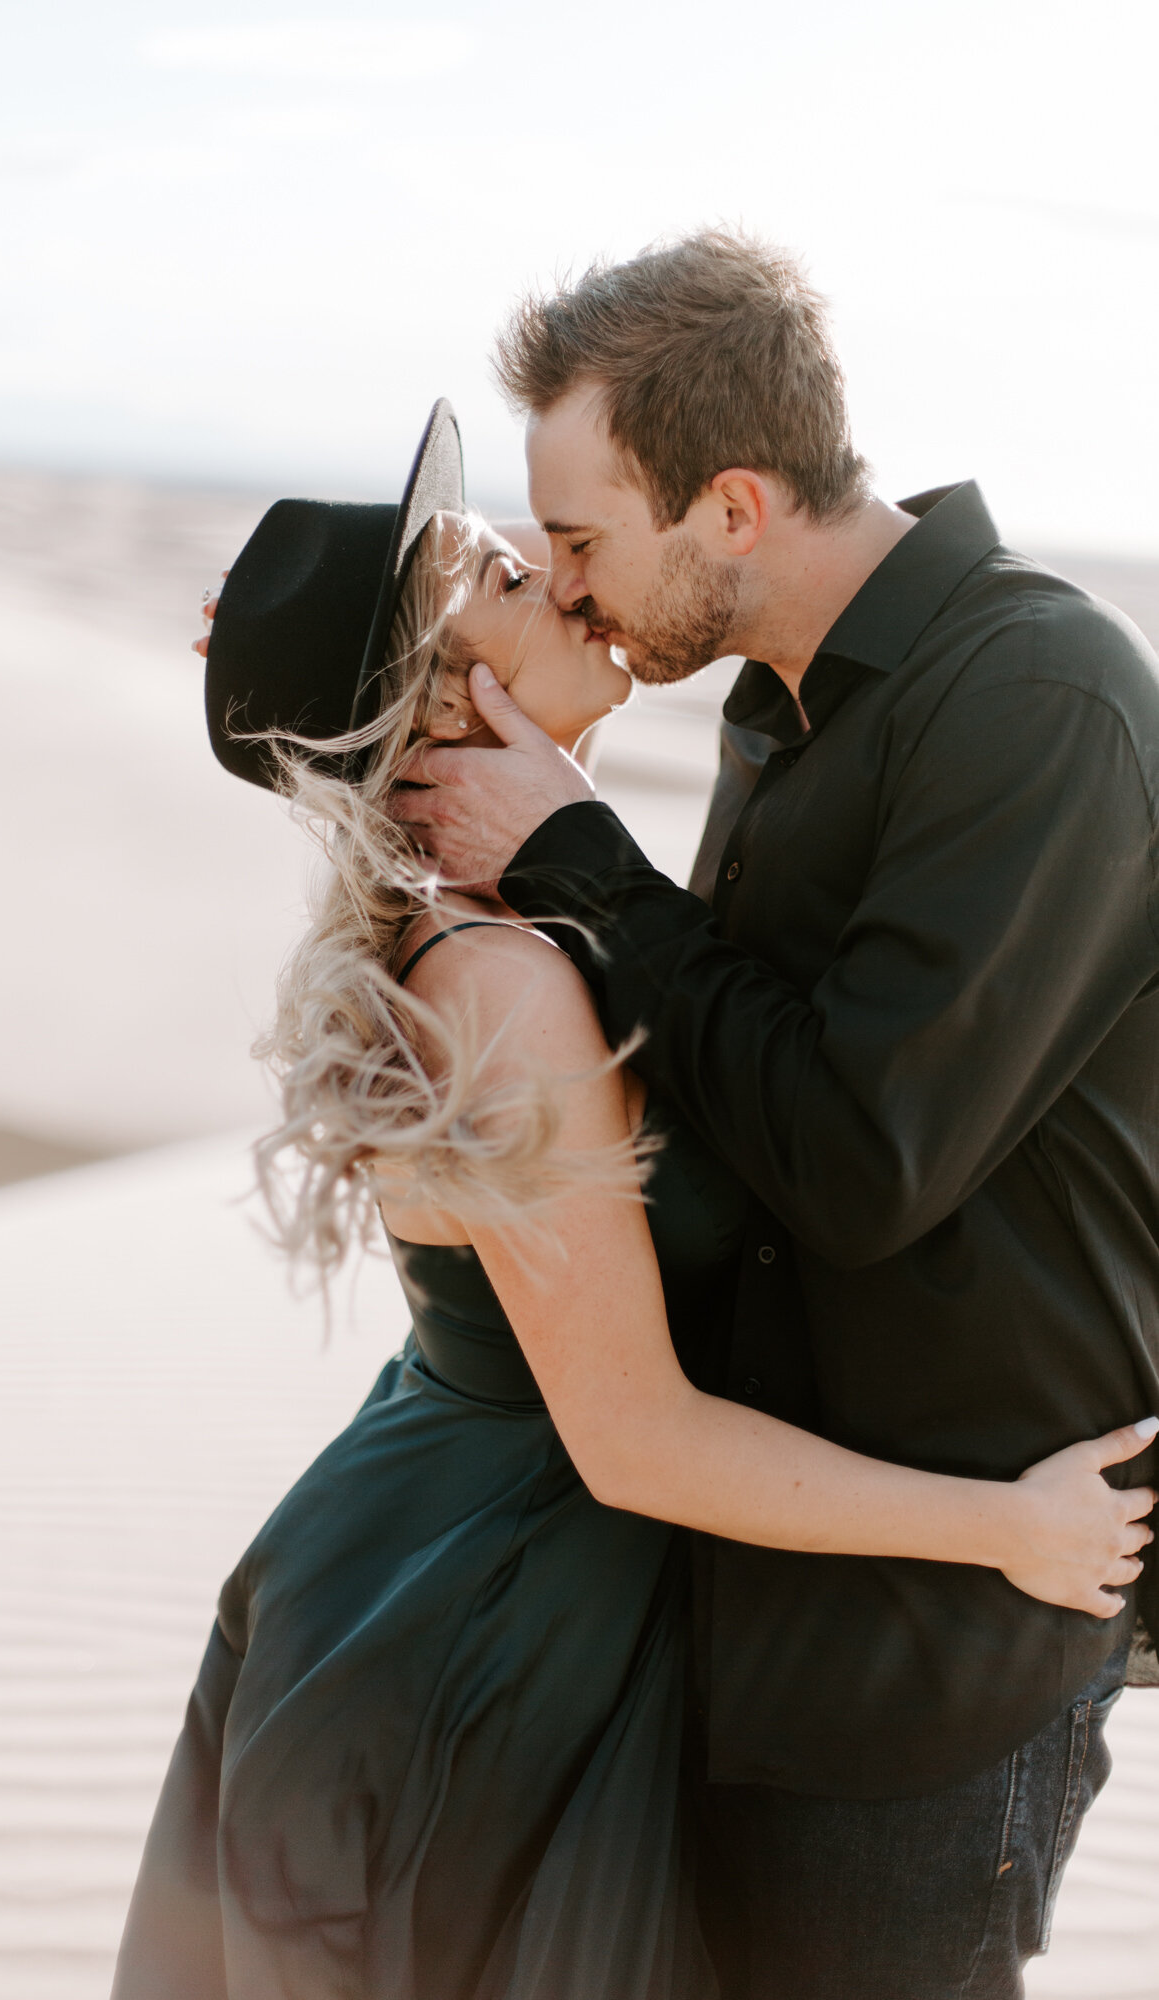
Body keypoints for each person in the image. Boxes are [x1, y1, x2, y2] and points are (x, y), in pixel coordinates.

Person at [109, 403, 1156, 2000]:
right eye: (510, 580)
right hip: (490, 1616)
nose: (560, 578)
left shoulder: (515, 926)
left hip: (502, 1563)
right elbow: (633, 1436)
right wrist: (1007, 1529)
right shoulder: (503, 986)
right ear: (446, 697)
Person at [390, 234, 1159, 1997]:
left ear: (730, 507)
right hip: (751, 1599)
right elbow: (726, 1078)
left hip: (940, 1642)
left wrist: (577, 855)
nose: (569, 591)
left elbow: (857, 1162)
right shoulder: (777, 710)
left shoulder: (1034, 698)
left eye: (581, 542)